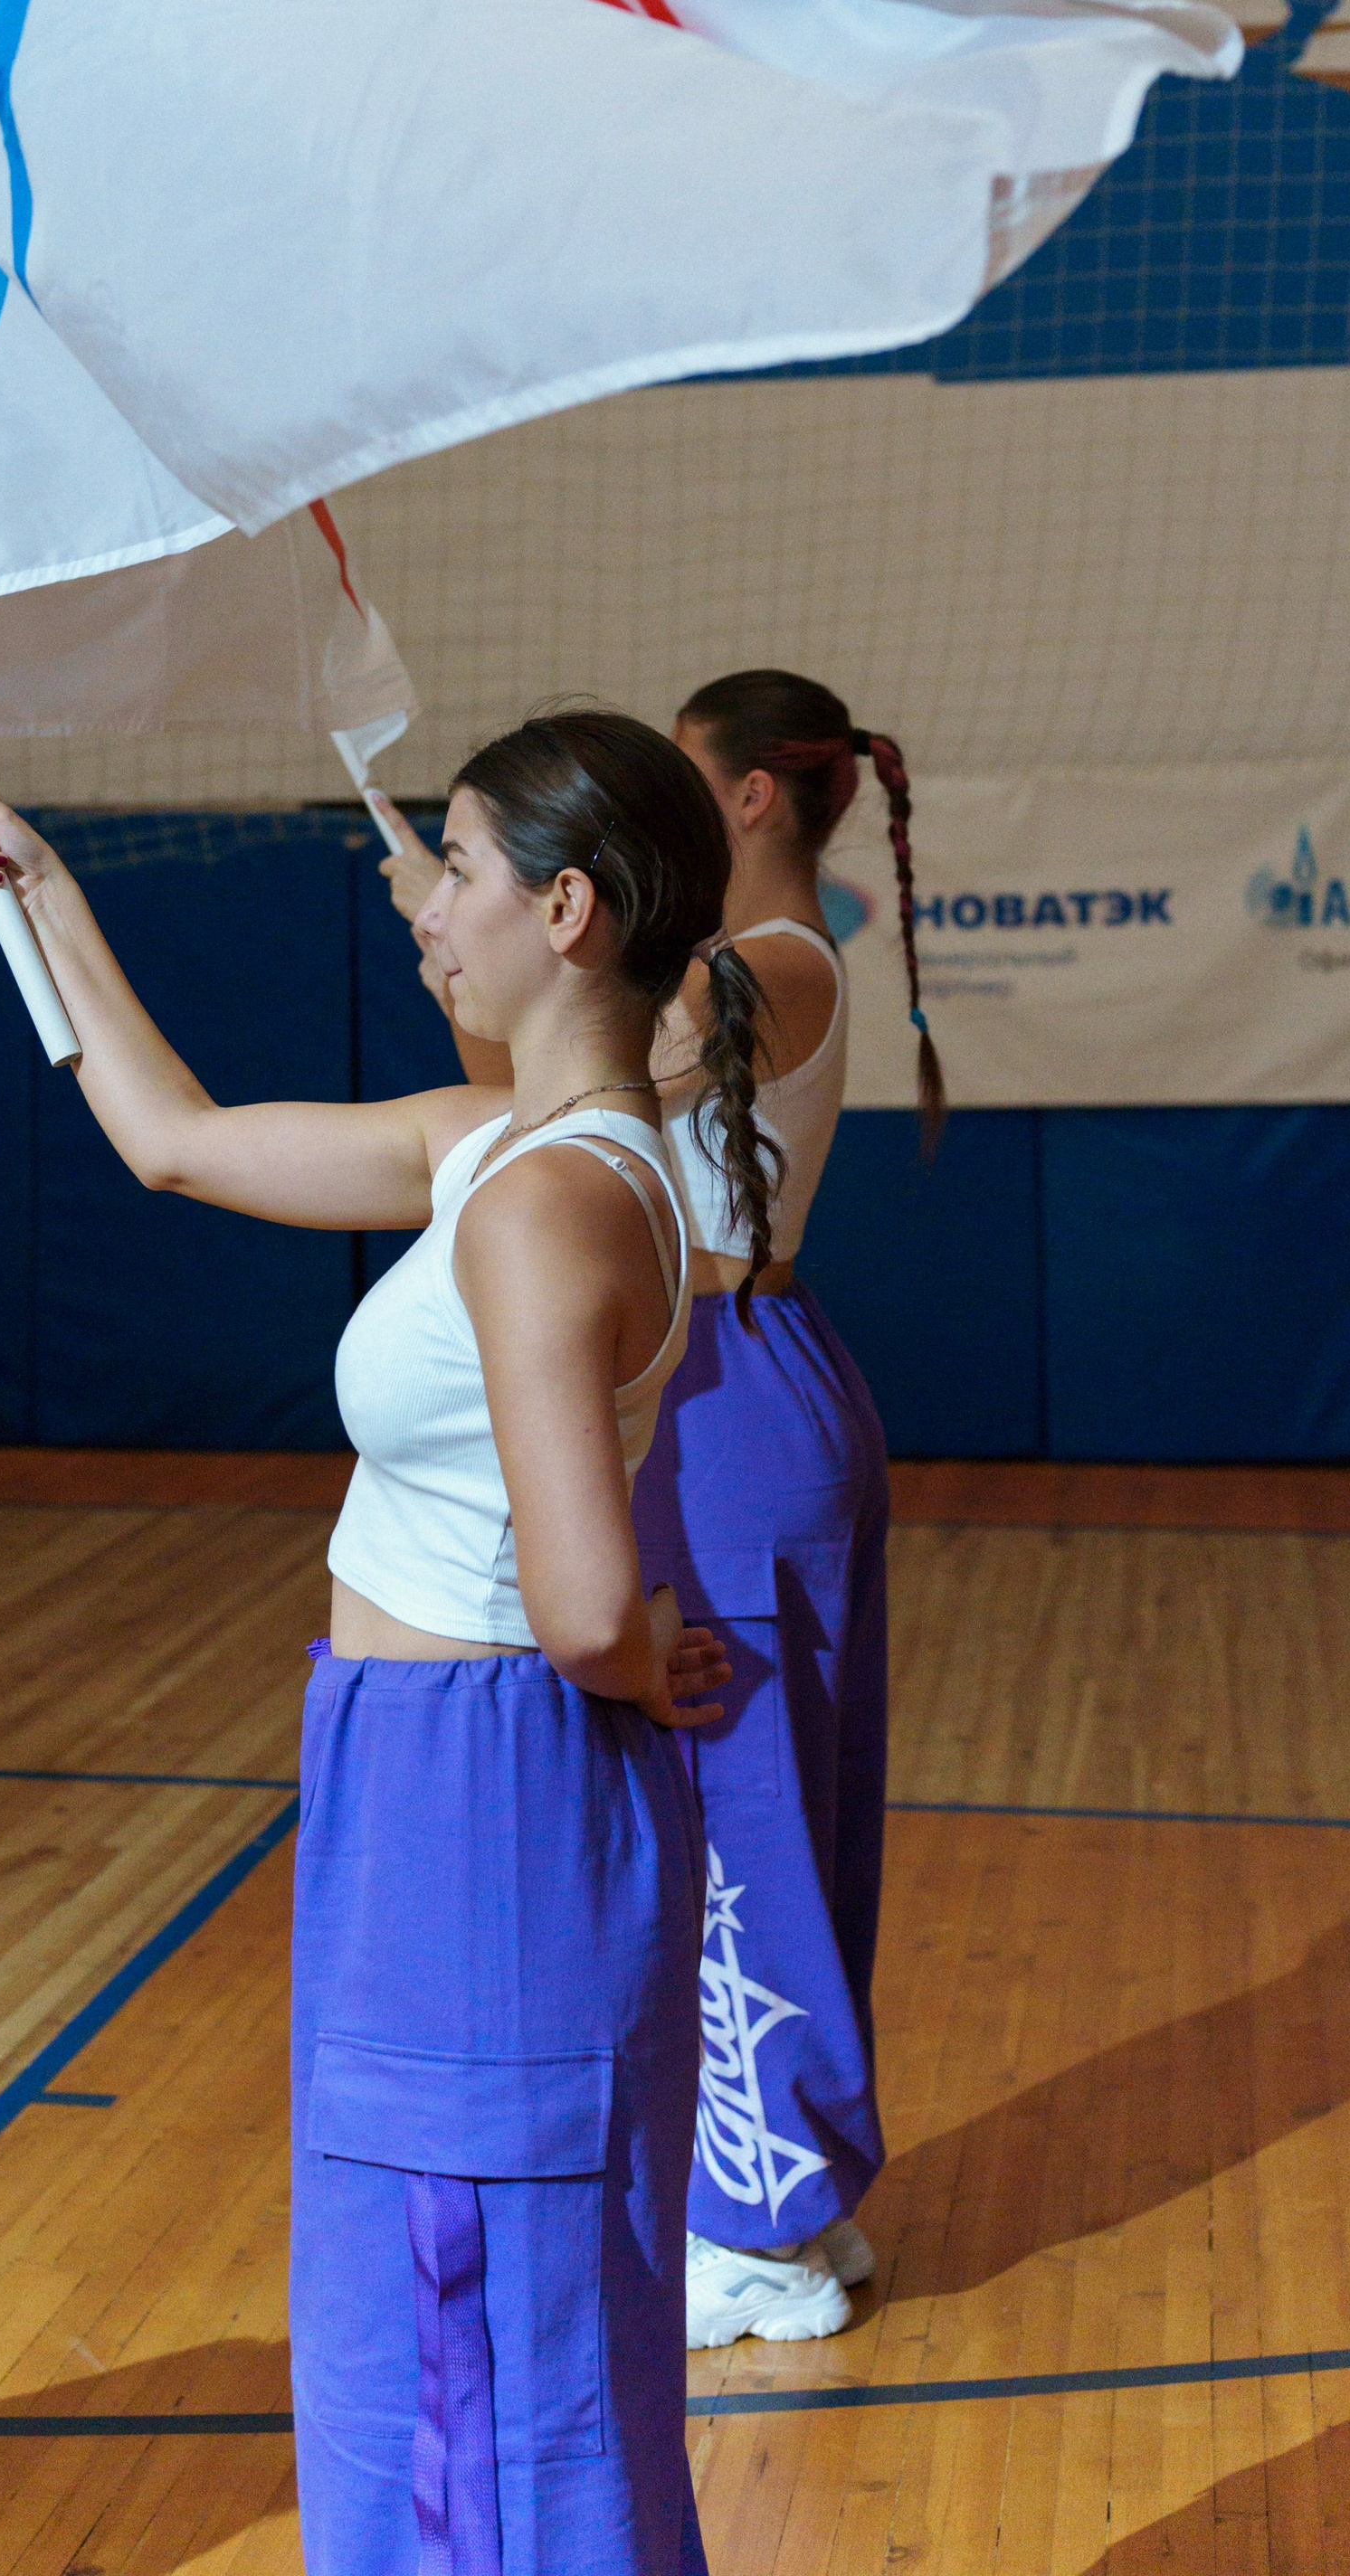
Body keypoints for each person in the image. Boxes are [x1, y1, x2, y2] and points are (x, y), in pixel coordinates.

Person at [0, 708, 773, 2572]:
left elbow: (578, 1605)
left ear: (566, 911)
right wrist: (36, 895)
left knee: (476, 2334)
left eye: (455, 868)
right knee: (456, 2322)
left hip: (480, 1796)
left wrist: (635, 1653)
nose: (424, 903)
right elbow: (174, 1143)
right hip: (433, 1770)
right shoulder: (506, 1146)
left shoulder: (544, 1201)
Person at [371, 668, 940, 2351]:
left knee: (747, 1816)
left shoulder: (781, 958)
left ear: (751, 799)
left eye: (685, 778)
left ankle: (762, 2226)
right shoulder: (704, 974)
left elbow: (612, 1046)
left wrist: (497, 927)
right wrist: (464, 941)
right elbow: (536, 1077)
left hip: (738, 1386)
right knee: (748, 1799)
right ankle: (792, 2193)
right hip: (728, 1378)